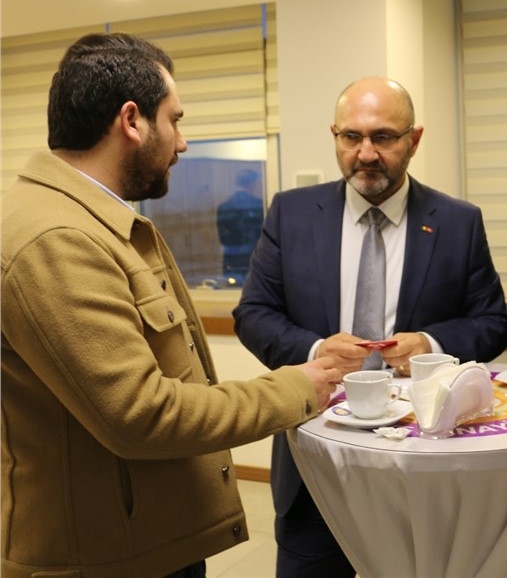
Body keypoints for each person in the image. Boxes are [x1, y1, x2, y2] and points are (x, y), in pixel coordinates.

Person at [0, 32, 343, 578]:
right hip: (104, 561)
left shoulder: (95, 219)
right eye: (175, 120)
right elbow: (142, 414)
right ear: (132, 121)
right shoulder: (57, 238)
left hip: (143, 541)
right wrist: (296, 389)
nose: (182, 143)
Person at [233, 76, 507, 578]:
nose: (365, 153)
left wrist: (431, 344)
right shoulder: (292, 214)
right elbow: (253, 314)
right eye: (351, 137)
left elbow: (492, 322)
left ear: (414, 140)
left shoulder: (457, 221)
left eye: (383, 137)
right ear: (334, 136)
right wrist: (317, 350)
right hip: (315, 454)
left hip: (423, 461)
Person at [216, 167, 264, 280]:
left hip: (231, 260)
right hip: (253, 259)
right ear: (252, 184)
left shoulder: (224, 207)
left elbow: (223, 239)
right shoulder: (258, 205)